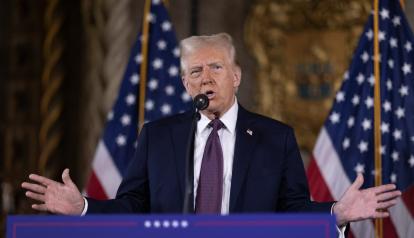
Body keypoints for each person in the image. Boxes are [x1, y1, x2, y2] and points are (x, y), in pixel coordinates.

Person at [22, 33, 400, 232]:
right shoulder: (158, 135)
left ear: (235, 78)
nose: (205, 78)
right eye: (195, 72)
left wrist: (337, 214)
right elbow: (132, 205)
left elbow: (293, 211)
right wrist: (84, 208)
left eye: (216, 68)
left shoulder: (275, 137)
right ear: (186, 85)